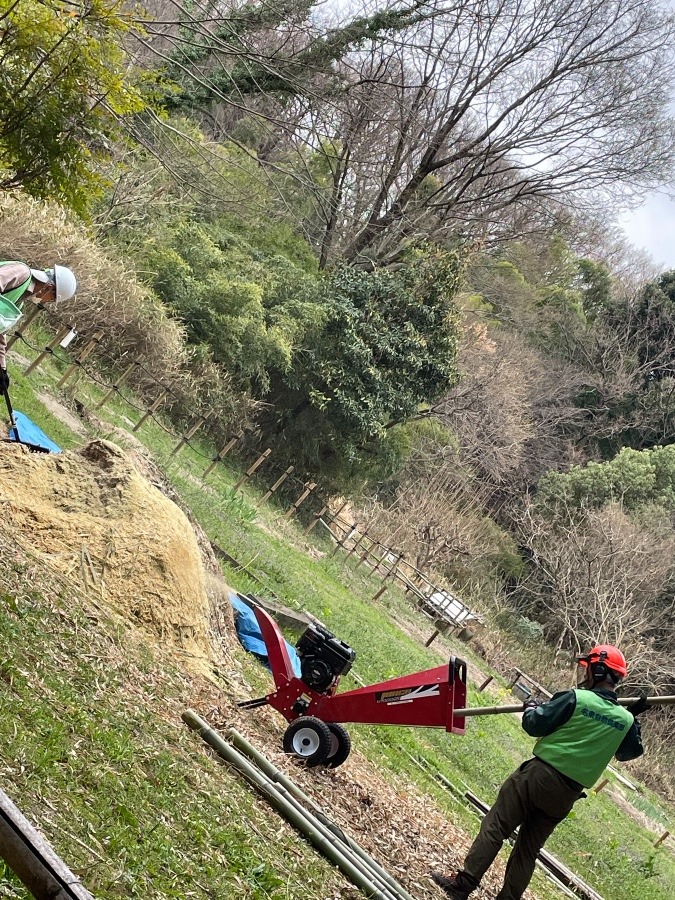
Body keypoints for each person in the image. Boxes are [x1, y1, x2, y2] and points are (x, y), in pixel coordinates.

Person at [431, 645, 647, 900]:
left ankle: (462, 886)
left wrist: (531, 708)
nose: (585, 673)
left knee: (496, 826)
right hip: (566, 795)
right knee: (527, 851)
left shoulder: (576, 698)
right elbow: (627, 753)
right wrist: (631, 720)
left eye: (588, 668)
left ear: (599, 670)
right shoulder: (625, 720)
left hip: (538, 776)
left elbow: (534, 725)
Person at [0, 261, 77, 391]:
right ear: (49, 288)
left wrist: (2, 369)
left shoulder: (19, 302)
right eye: (51, 299)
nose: (45, 301)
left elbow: (1, 332)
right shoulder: (20, 272)